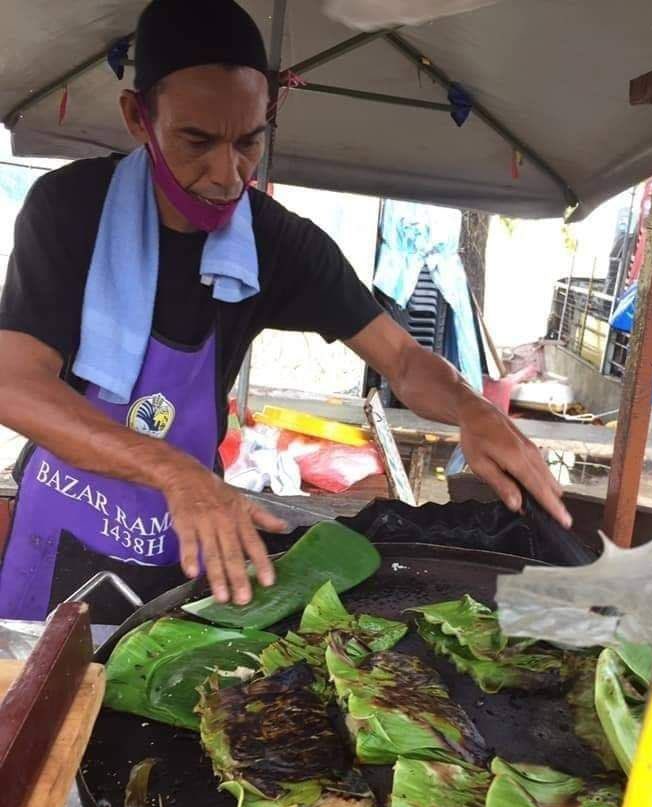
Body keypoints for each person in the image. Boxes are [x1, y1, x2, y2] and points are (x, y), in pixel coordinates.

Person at [0, 0, 570, 622]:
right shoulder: (70, 208)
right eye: (197, 140)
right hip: (61, 522)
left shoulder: (276, 244)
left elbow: (402, 359)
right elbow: (14, 382)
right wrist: (173, 471)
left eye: (248, 142)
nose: (226, 174)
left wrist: (470, 408)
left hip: (190, 534)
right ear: (139, 117)